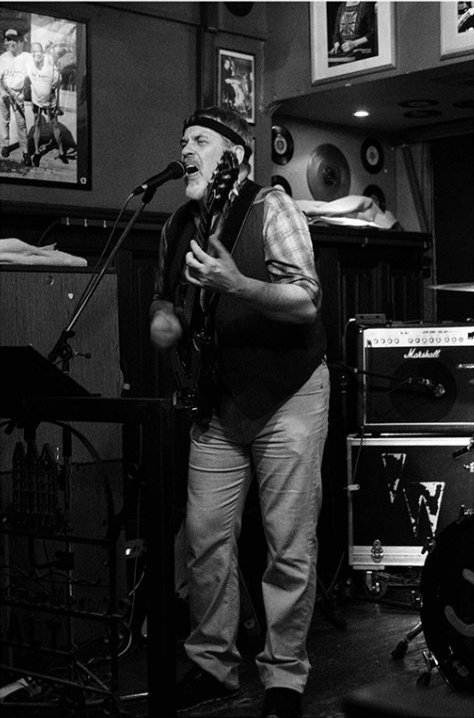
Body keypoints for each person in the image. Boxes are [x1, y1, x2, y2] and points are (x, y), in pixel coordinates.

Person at [150, 106, 330, 718]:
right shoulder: (177, 225)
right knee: (204, 537)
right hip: (219, 400)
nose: (186, 149)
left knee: (288, 541)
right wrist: (163, 321)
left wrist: (239, 285)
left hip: (288, 392)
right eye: (183, 140)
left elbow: (306, 300)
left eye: (200, 139)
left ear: (236, 155)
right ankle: (212, 666)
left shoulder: (272, 208)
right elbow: (163, 298)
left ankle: (284, 676)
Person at [25, 42, 67, 167]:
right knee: (37, 125)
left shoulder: (49, 61)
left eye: (39, 51)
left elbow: (59, 80)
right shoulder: (28, 64)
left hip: (50, 102)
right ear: (31, 53)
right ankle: (37, 153)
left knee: (55, 125)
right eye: (33, 52)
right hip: (36, 101)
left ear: (42, 52)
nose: (36, 54)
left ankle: (61, 152)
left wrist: (55, 84)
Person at [0, 28, 31, 165]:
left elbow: (29, 78)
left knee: (21, 124)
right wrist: (3, 92)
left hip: (18, 96)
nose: (11, 42)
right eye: (8, 40)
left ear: (18, 41)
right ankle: (5, 145)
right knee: (4, 120)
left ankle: (25, 151)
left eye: (14, 39)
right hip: (4, 94)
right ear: (5, 42)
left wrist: (24, 92)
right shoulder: (2, 58)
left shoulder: (25, 57)